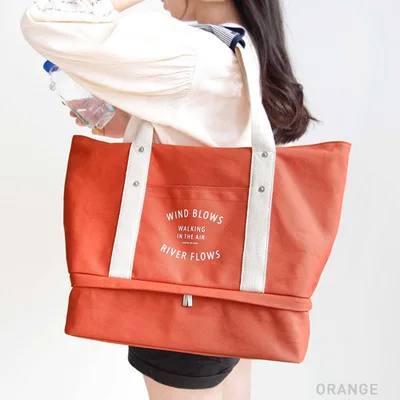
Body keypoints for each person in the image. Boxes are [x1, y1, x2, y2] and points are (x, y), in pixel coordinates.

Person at [21, 0, 315, 399]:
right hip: (228, 288)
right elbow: (207, 136)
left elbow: (43, 20)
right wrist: (132, 123)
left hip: (178, 292)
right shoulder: (242, 47)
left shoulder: (192, 50)